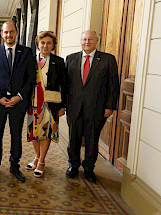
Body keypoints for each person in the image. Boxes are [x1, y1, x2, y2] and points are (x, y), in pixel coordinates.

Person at [65, 30, 119, 183]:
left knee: (91, 140)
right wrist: (63, 106)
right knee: (73, 139)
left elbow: (113, 85)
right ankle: (73, 166)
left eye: (90, 39)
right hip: (74, 108)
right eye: (84, 39)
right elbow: (66, 85)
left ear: (97, 40)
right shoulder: (71, 59)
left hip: (97, 109)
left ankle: (89, 168)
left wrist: (110, 106)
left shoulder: (108, 60)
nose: (86, 42)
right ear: (80, 41)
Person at [0, 21, 35, 182]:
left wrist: (19, 96)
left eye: (11, 32)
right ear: (2, 34)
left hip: (17, 103)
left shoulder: (26, 52)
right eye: (6, 32)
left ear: (17, 32)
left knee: (16, 135)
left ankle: (15, 166)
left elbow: (30, 78)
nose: (9, 35)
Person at [26, 31, 68, 178]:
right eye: (42, 43)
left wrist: (63, 106)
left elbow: (64, 85)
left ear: (53, 45)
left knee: (47, 132)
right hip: (33, 101)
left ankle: (42, 161)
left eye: (49, 43)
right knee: (34, 132)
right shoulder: (30, 60)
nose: (45, 45)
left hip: (50, 103)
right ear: (38, 44)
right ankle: (37, 157)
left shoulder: (59, 61)